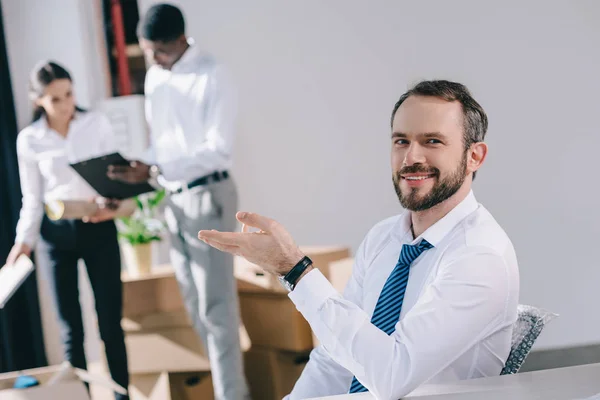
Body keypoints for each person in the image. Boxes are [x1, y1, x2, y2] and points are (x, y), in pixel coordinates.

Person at [198, 80, 520, 400]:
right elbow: (336, 358)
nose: (411, 157)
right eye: (401, 141)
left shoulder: (479, 254)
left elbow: (393, 375)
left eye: (433, 141)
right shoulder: (384, 237)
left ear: (474, 156)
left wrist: (294, 270)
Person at [106, 4, 249, 399]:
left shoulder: (212, 74)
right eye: (146, 50)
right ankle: (235, 390)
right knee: (194, 305)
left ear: (180, 41)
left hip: (209, 194)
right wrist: (141, 165)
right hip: (173, 198)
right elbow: (162, 145)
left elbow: (218, 150)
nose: (150, 59)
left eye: (157, 51)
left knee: (216, 309)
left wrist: (156, 168)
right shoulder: (155, 78)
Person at [5, 61, 130, 400]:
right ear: (38, 101)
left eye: (69, 94)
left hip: (98, 229)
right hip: (55, 237)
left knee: (110, 324)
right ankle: (82, 397)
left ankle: (122, 396)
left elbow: (114, 174)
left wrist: (111, 201)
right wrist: (23, 243)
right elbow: (31, 197)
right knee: (70, 330)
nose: (66, 104)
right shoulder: (29, 140)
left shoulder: (95, 123)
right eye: (56, 99)